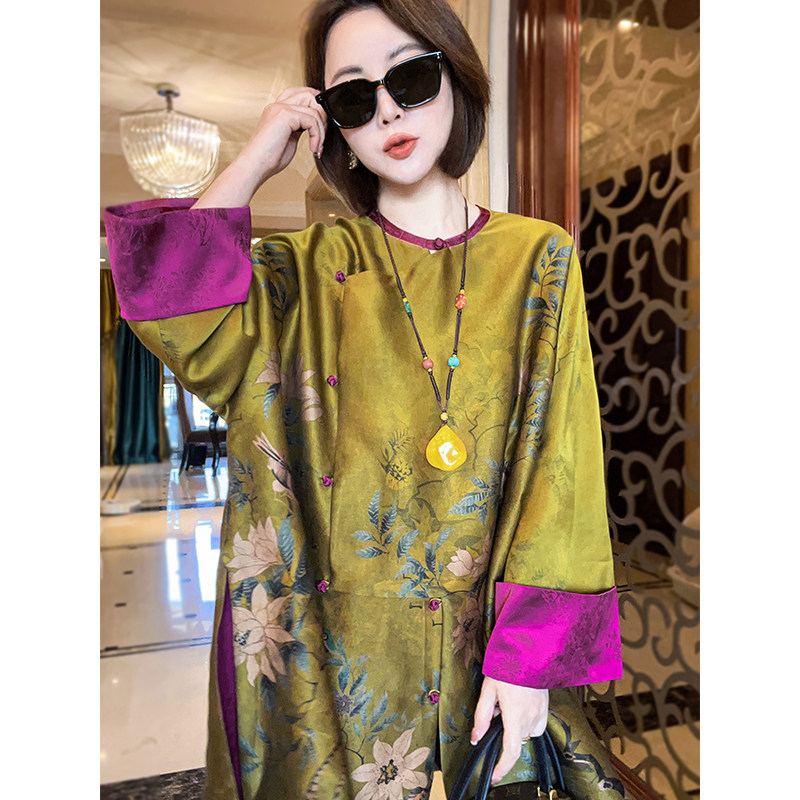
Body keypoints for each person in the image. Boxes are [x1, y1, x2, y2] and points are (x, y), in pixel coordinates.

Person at [103, 2, 625, 798]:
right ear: (334, 125)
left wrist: (529, 663)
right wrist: (257, 155)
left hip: (487, 637)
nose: (387, 111)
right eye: (353, 95)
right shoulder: (301, 273)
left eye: (411, 78)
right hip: (331, 645)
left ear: (456, 79)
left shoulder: (538, 257)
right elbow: (174, 306)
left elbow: (566, 464)